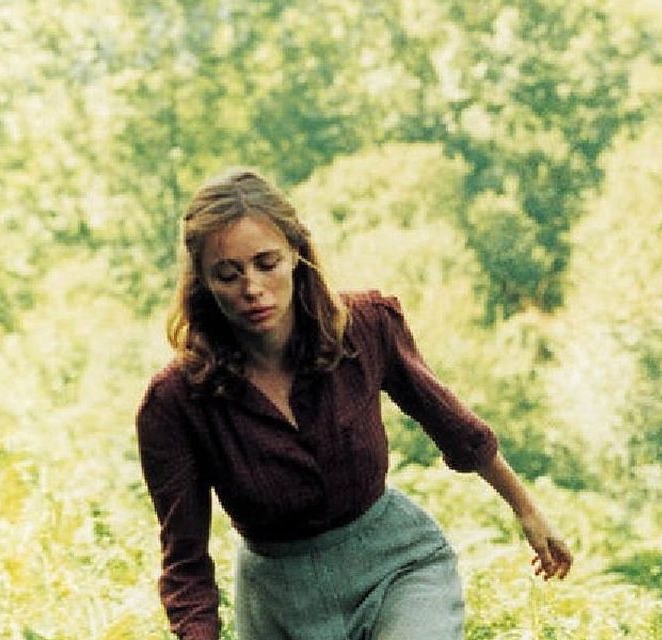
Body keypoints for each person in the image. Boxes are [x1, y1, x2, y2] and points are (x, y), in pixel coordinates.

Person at [135, 169, 573, 640]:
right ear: (202, 281)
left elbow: (457, 430)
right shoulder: (174, 402)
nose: (252, 288)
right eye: (228, 274)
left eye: (267, 263)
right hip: (279, 604)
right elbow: (185, 562)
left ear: (296, 253)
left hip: (396, 568)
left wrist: (527, 510)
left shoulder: (365, 328)